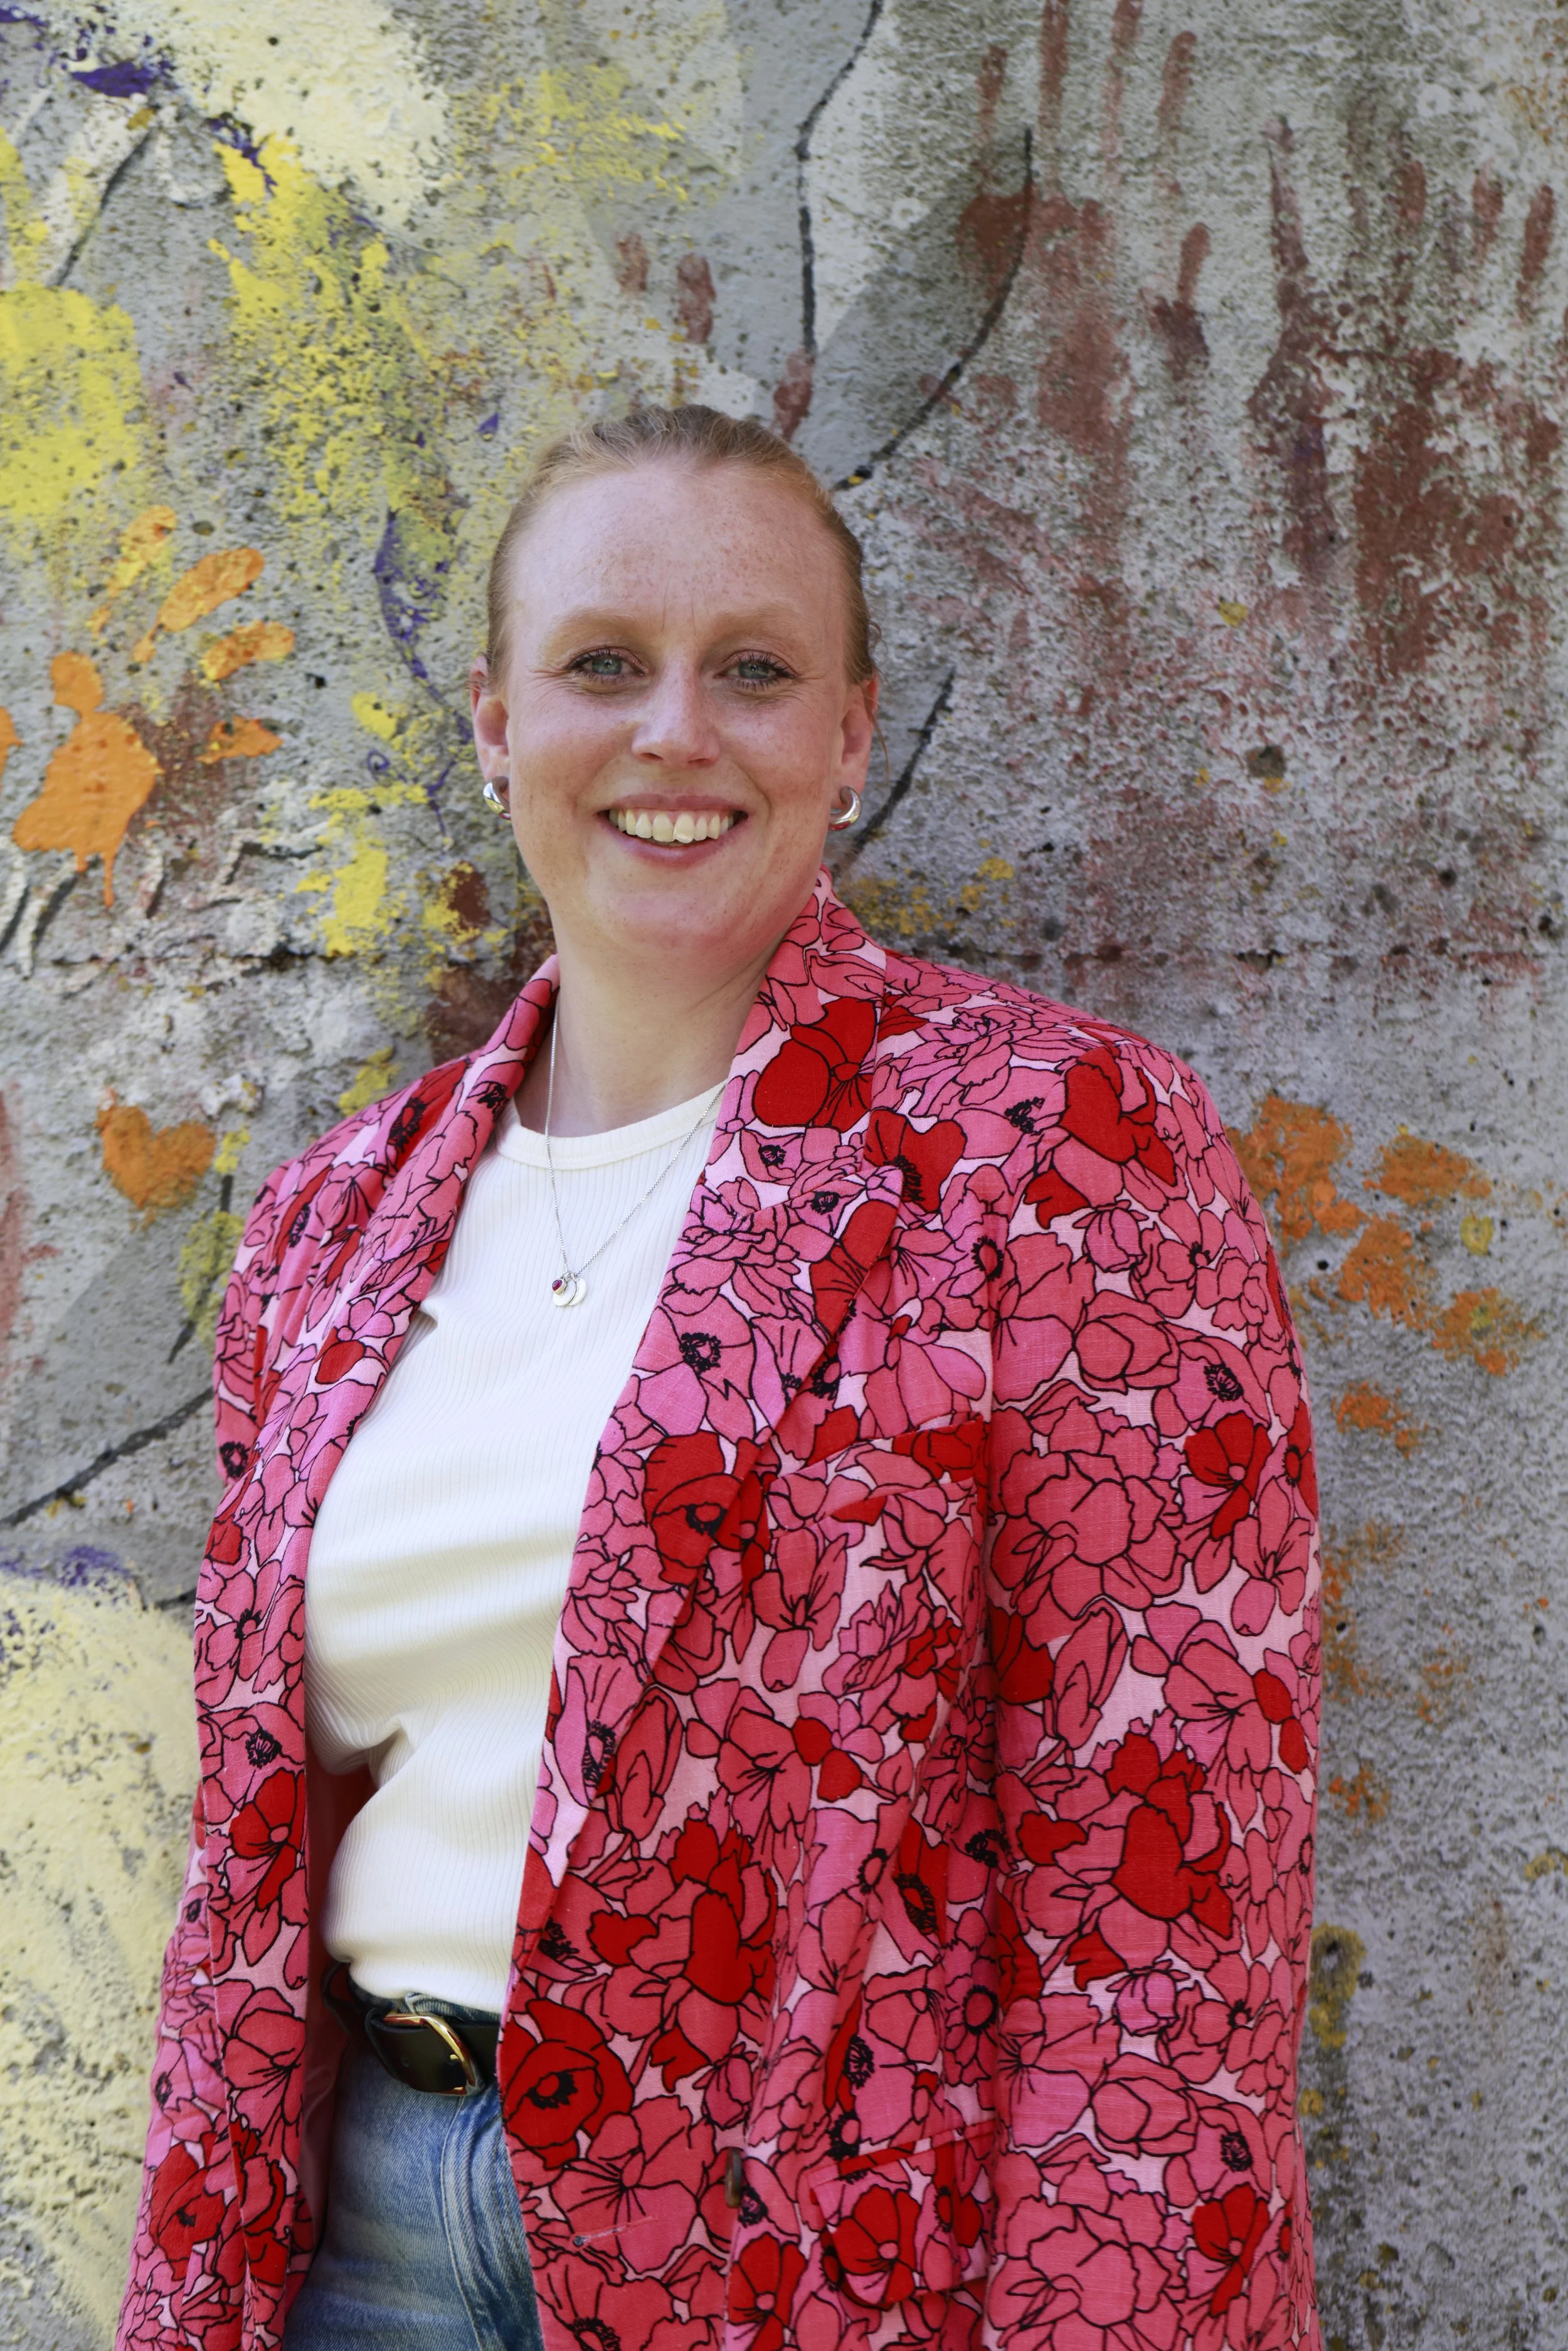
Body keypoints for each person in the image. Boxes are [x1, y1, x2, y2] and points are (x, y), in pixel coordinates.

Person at [117, 404, 1322, 2351]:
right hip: (369, 2237)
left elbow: (1167, 1877)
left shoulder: (1057, 1143)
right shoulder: (334, 1226)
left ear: (844, 737)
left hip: (834, 2262)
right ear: (499, 722)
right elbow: (247, 1862)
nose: (675, 727)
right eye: (603, 663)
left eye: (750, 671)